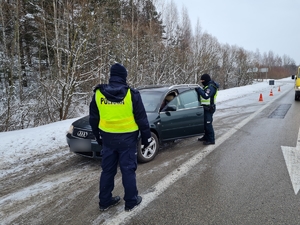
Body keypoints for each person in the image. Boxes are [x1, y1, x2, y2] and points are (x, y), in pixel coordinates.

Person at [89, 63, 152, 212]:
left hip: (108, 139)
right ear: (124, 77)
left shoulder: (98, 93)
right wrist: (146, 138)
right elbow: (142, 119)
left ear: (111, 76)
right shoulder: (132, 94)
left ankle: (104, 201)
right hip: (128, 140)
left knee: (107, 171)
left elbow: (93, 119)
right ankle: (131, 201)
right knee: (128, 170)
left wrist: (98, 137)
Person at [195, 73, 219, 145]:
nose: (201, 82)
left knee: (208, 124)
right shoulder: (207, 86)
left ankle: (211, 140)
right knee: (205, 124)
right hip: (205, 108)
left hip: (209, 108)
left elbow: (206, 96)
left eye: (202, 80)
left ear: (206, 80)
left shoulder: (211, 87)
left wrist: (199, 90)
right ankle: (206, 137)